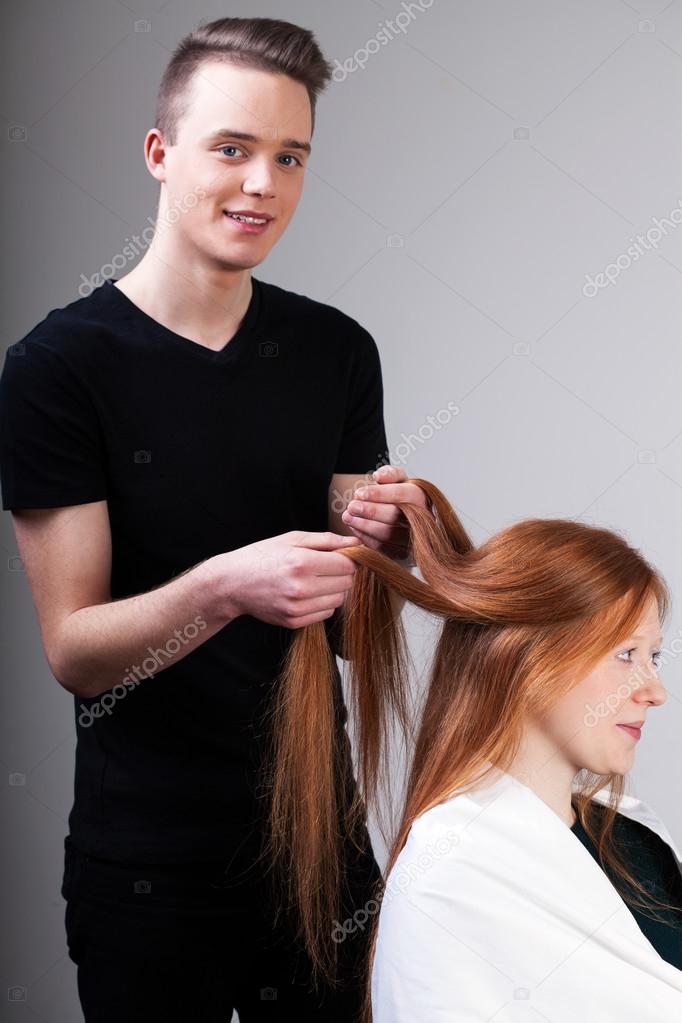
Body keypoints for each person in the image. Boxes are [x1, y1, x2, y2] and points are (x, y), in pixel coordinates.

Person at [0, 17, 428, 1023]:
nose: (261, 185)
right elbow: (76, 652)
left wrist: (394, 550)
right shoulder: (58, 370)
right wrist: (223, 587)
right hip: (150, 868)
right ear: (160, 152)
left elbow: (351, 627)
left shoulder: (334, 351)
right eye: (231, 149)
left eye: (290, 157)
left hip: (318, 852)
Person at [270, 477, 682, 1021]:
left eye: (654, 656)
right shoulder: (453, 872)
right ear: (526, 659)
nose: (655, 691)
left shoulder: (635, 837)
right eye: (626, 654)